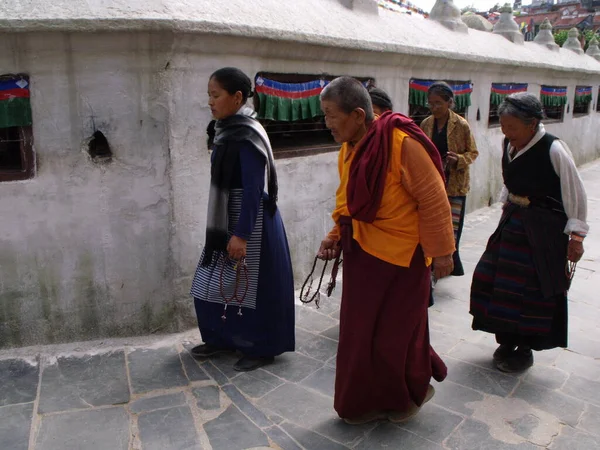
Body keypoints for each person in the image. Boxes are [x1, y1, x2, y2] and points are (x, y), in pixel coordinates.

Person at [317, 77, 456, 424]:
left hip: (403, 256)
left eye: (332, 115)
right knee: (359, 332)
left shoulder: (401, 144)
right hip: (363, 252)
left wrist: (442, 253)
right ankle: (361, 401)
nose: (327, 124)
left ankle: (401, 396)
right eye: (324, 115)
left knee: (395, 335)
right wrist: (335, 234)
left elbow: (433, 196)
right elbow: (349, 199)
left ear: (358, 114)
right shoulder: (349, 147)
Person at [470, 93, 588, 373]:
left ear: (532, 123)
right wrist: (505, 206)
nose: (507, 133)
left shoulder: (554, 150)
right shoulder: (509, 144)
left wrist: (577, 236)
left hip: (544, 231)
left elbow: (576, 193)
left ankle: (524, 348)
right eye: (504, 127)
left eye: (513, 128)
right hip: (514, 224)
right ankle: (505, 339)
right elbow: (510, 181)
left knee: (531, 290)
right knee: (496, 280)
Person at [189, 67, 295, 372]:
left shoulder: (248, 134)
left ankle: (262, 348)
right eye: (209, 95)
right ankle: (220, 338)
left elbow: (252, 189)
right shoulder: (224, 129)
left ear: (236, 98)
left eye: (215, 95)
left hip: (250, 218)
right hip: (224, 216)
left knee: (255, 288)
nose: (210, 102)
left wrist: (241, 235)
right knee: (213, 281)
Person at [421, 81, 478, 277]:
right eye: (431, 103)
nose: (434, 107)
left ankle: (448, 264)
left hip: (454, 185)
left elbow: (473, 152)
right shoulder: (426, 124)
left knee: (451, 229)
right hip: (432, 183)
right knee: (432, 226)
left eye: (438, 103)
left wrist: (459, 159)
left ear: (449, 103)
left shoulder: (461, 125)